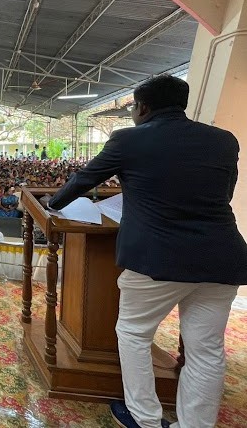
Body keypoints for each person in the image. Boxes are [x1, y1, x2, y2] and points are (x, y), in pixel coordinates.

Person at [48, 75, 247, 428]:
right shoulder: (224, 141)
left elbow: (84, 179)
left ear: (142, 107)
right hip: (221, 258)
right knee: (207, 350)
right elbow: (223, 194)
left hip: (156, 258)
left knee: (134, 334)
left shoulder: (129, 140)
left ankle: (145, 419)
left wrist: (53, 203)